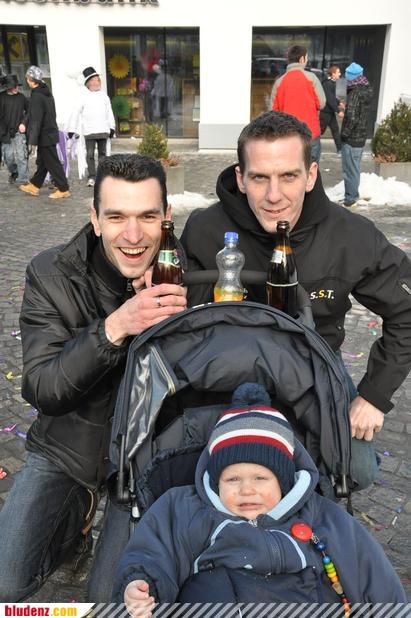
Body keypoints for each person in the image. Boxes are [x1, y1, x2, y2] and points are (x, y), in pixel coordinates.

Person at [180, 110, 411, 492]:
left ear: (311, 175)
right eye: (259, 178)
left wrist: (374, 395)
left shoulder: (350, 234)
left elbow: (406, 310)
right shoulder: (205, 229)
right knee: (193, 466)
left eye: (288, 176)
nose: (274, 195)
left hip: (314, 364)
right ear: (241, 178)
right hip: (227, 369)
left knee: (358, 471)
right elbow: (182, 315)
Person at [0, 154, 187, 602]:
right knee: (6, 585)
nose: (133, 236)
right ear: (95, 219)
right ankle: (75, 520)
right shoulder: (52, 273)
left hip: (144, 459)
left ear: (166, 217)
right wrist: (115, 328)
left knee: (110, 601)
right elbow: (42, 388)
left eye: (147, 217)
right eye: (117, 216)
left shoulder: (190, 274)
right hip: (69, 447)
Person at [113, 383, 407, 611]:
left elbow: (369, 569)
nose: (246, 490)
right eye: (232, 479)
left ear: (283, 482)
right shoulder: (187, 508)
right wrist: (140, 584)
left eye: (260, 479)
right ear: (216, 481)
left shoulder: (320, 515)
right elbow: (153, 552)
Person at [19, 65, 71, 199]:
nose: (27, 80)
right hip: (49, 132)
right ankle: (35, 185)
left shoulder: (37, 95)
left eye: (27, 78)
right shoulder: (45, 92)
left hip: (45, 134)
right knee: (43, 162)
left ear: (31, 79)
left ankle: (63, 188)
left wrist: (32, 140)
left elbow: (36, 119)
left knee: (52, 162)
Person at [271, 45, 325, 163]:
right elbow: (322, 103)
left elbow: (273, 111)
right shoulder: (312, 78)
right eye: (306, 58)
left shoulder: (279, 82)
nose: (307, 60)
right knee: (311, 168)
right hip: (311, 133)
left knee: (290, 168)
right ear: (301, 59)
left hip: (287, 135)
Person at [66, 66, 116, 187]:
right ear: (88, 83)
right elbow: (75, 113)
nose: (96, 82)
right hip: (89, 131)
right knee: (90, 155)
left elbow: (109, 113)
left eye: (98, 80)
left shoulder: (104, 96)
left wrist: (112, 127)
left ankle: (102, 176)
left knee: (103, 154)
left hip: (103, 130)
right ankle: (92, 176)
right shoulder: (82, 97)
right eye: (93, 80)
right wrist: (72, 129)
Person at [340, 62, 373, 207]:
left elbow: (352, 117)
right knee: (354, 168)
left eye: (347, 76)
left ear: (352, 76)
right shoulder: (366, 90)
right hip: (361, 136)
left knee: (349, 170)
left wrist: (344, 134)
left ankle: (350, 198)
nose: (346, 78)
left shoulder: (354, 93)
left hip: (352, 138)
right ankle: (353, 195)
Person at [0, 73, 29, 185]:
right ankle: (15, 172)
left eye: (17, 86)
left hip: (18, 131)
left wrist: (23, 123)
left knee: (22, 156)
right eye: (14, 86)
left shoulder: (21, 97)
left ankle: (23, 179)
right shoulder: (1, 97)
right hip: (5, 132)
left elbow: (29, 111)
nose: (17, 88)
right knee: (8, 158)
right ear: (8, 87)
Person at [319, 65, 344, 155]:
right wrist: (338, 111)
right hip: (325, 113)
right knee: (319, 131)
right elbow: (330, 99)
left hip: (330, 113)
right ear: (333, 74)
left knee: (335, 130)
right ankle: (311, 146)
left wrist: (339, 103)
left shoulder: (332, 83)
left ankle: (339, 149)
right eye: (338, 72)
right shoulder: (327, 84)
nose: (340, 74)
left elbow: (333, 98)